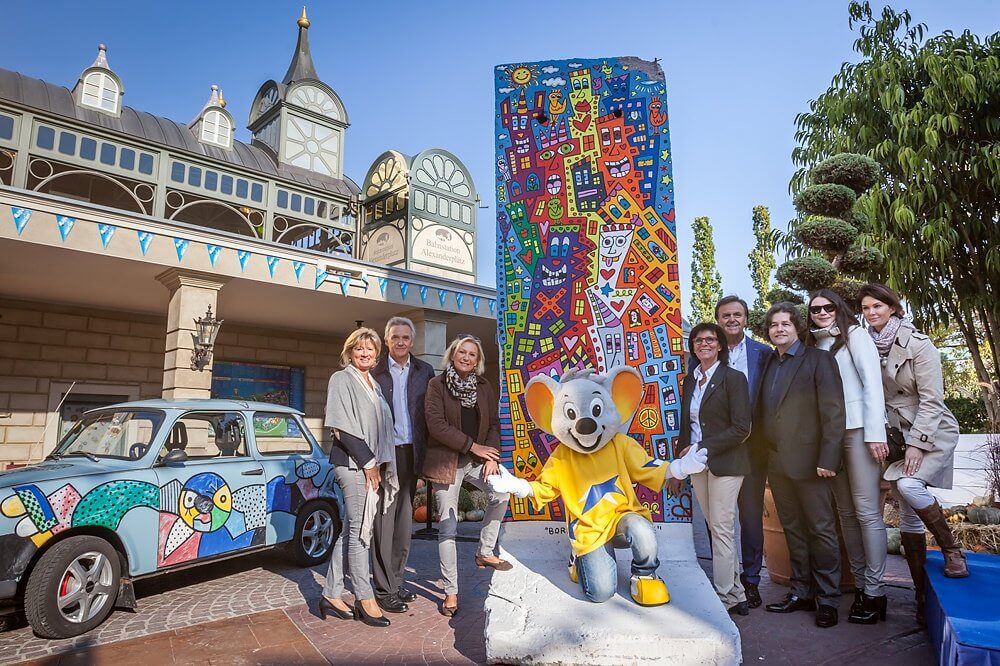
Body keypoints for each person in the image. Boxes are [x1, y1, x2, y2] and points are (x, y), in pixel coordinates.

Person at [859, 283, 968, 624]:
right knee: (906, 511)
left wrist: (918, 444)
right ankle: (921, 596)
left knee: (909, 486)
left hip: (930, 430)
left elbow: (933, 400)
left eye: (878, 306)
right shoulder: (865, 346)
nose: (872, 312)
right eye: (866, 308)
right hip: (894, 435)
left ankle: (951, 549)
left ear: (893, 307)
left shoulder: (919, 344)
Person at [755, 302, 846, 628]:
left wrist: (828, 458)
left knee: (821, 529)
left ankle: (828, 599)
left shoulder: (818, 360)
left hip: (811, 463)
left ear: (797, 327)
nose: (779, 329)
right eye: (774, 325)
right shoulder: (768, 362)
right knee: (792, 528)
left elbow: (834, 412)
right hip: (776, 462)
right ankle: (801, 592)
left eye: (785, 324)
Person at [806, 289, 889, 624]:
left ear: (838, 307)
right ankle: (860, 587)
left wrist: (875, 433)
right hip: (830, 437)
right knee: (846, 514)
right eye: (815, 309)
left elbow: (872, 384)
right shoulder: (814, 345)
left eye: (828, 307)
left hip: (858, 431)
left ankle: (876, 591)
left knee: (867, 511)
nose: (822, 313)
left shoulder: (855, 335)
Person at [423, 334, 511, 617]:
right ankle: (451, 592)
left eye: (472, 354)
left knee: (501, 493)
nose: (466, 357)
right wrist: (474, 446)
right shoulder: (436, 385)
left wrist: (491, 456)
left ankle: (484, 551)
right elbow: (436, 425)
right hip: (446, 463)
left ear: (477, 361)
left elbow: (494, 424)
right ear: (453, 354)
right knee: (448, 527)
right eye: (462, 352)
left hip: (477, 462)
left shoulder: (484, 387)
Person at [322, 327, 397, 628]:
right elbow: (342, 427)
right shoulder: (341, 379)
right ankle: (365, 598)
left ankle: (330, 593)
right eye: (359, 348)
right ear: (349, 352)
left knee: (350, 530)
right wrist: (369, 464)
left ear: (377, 354)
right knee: (359, 531)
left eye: (370, 349)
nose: (364, 353)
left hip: (368, 464)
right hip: (353, 464)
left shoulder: (374, 385)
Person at [679, 323, 752, 615]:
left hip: (726, 462)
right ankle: (736, 593)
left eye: (710, 339)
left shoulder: (733, 378)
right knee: (716, 528)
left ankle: (722, 598)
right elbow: (687, 424)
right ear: (693, 347)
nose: (704, 344)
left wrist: (702, 446)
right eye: (698, 340)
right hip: (696, 465)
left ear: (720, 345)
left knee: (722, 528)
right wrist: (681, 463)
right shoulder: (690, 380)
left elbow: (742, 428)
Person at [370, 317, 436, 613]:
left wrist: (426, 464)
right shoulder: (374, 371)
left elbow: (430, 417)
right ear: (386, 341)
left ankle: (396, 582)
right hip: (384, 455)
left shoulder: (425, 371)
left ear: (412, 341)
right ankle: (383, 589)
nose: (400, 342)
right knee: (384, 523)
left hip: (412, 454)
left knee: (404, 524)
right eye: (395, 337)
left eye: (405, 337)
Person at [716, 294, 772, 608]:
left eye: (737, 314)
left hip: (753, 450)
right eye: (726, 315)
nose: (732, 320)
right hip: (718, 449)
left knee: (751, 518)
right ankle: (724, 580)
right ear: (718, 320)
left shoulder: (763, 354)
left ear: (746, 319)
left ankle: (751, 581)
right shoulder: (707, 352)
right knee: (718, 520)